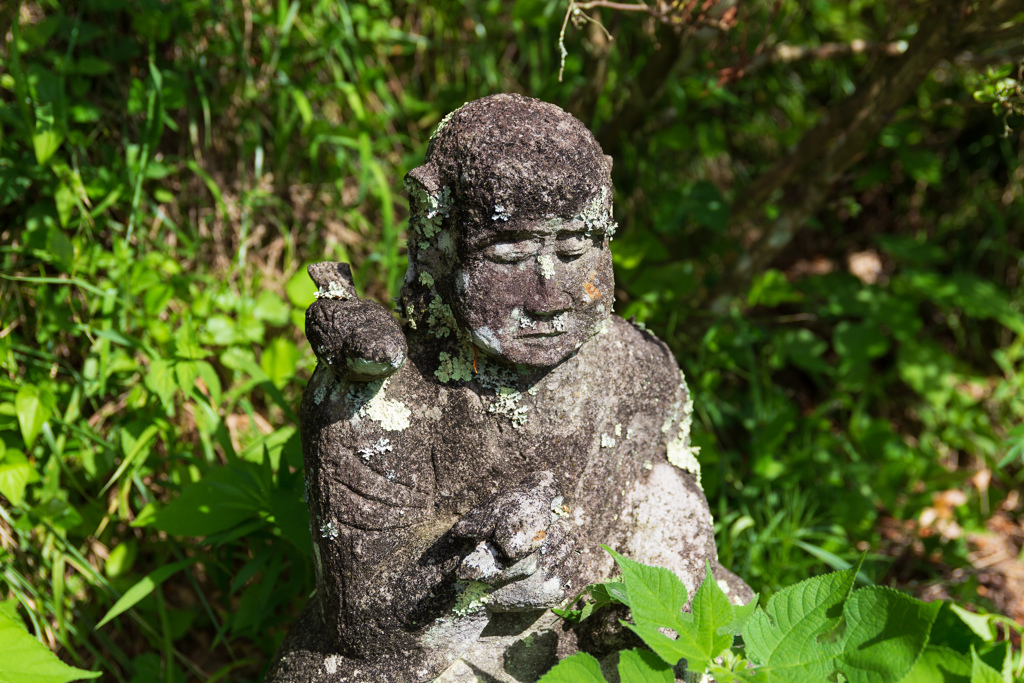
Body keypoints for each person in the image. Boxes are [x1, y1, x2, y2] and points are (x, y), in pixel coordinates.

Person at [269, 93, 751, 683]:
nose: (548, 295)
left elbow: (674, 541)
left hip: (591, 637)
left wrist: (618, 609)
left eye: (575, 250)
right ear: (437, 234)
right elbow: (363, 627)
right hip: (444, 653)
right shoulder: (381, 399)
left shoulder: (640, 370)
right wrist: (473, 577)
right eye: (509, 254)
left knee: (726, 624)